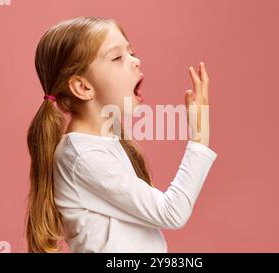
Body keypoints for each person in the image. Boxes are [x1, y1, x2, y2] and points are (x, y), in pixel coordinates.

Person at [26, 16, 217, 253]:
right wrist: (199, 137)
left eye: (131, 52)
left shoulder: (102, 144)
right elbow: (172, 212)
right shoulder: (83, 157)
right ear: (83, 87)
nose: (136, 61)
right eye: (117, 58)